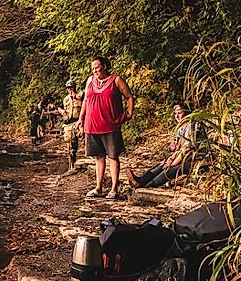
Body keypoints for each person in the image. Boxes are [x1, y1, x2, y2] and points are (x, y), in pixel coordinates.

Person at [77, 56, 134, 200]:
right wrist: (81, 117)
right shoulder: (90, 81)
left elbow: (128, 96)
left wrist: (129, 113)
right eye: (93, 68)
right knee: (98, 157)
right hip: (92, 125)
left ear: (104, 66)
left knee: (113, 157)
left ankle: (114, 188)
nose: (95, 70)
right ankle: (98, 187)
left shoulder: (116, 80)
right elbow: (85, 100)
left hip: (110, 124)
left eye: (97, 67)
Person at [126, 104, 204, 188]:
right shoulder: (180, 128)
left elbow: (187, 148)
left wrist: (174, 162)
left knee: (170, 169)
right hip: (183, 157)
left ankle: (149, 185)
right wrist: (171, 158)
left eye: (180, 113)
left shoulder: (191, 126)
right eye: (175, 113)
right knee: (163, 164)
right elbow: (179, 149)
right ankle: (141, 181)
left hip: (193, 160)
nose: (177, 116)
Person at [59, 80, 84, 170]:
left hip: (79, 122)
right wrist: (62, 112)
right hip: (68, 124)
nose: (70, 89)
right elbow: (60, 107)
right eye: (68, 88)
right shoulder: (65, 99)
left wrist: (76, 99)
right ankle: (71, 165)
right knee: (70, 146)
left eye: (71, 87)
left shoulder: (80, 95)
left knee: (84, 139)